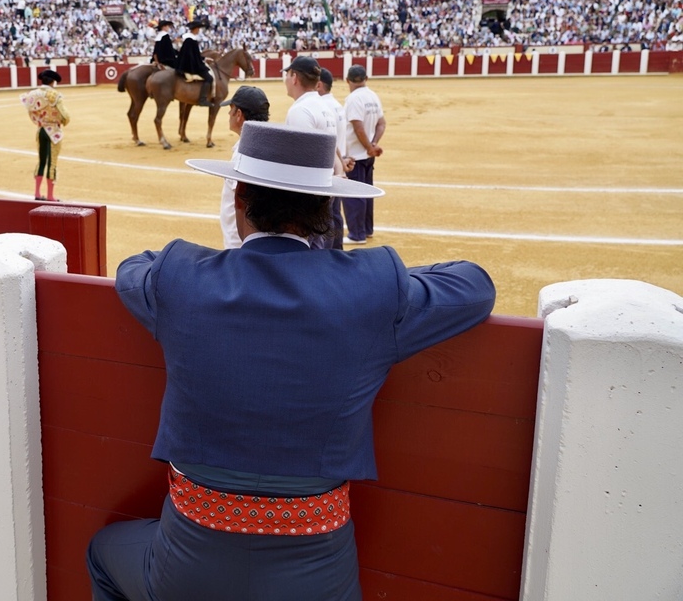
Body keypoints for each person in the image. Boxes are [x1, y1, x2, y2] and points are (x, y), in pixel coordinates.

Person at [88, 123, 496, 601]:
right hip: (318, 572)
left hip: (189, 564)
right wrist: (384, 286)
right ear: (325, 208)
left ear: (238, 197)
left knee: (103, 551)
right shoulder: (373, 289)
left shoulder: (180, 277)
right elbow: (474, 284)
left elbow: (134, 267)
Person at [283, 57, 340, 250]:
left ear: (294, 77)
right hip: (325, 188)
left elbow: (301, 159)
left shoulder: (300, 110)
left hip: (309, 195)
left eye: (287, 74)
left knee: (310, 248)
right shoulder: (325, 106)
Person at [216, 85, 270, 248]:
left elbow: (242, 204)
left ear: (239, 114)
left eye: (231, 109)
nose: (228, 114)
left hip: (241, 243)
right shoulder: (269, 144)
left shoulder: (244, 151)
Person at [343, 65, 386, 244]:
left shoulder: (353, 99)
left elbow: (357, 127)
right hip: (368, 154)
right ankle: (367, 229)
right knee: (367, 193)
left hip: (356, 154)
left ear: (348, 81)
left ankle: (357, 234)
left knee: (355, 194)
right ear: (366, 78)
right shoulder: (373, 96)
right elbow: (381, 123)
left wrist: (368, 147)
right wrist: (374, 143)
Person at [20, 69, 71, 201]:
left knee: (41, 161)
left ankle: (37, 193)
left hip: (41, 130)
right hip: (53, 132)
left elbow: (30, 111)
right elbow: (65, 116)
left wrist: (39, 120)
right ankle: (50, 196)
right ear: (53, 82)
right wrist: (63, 121)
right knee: (52, 163)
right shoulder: (54, 95)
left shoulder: (33, 94)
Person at [317, 68, 353, 250]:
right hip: (338, 164)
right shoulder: (337, 105)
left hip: (330, 167)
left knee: (327, 215)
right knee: (335, 213)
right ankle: (337, 248)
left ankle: (331, 249)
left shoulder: (322, 106)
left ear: (320, 85)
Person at [176, 17, 213, 107]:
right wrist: (202, 61)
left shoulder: (187, 38)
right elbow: (194, 56)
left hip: (185, 64)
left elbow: (193, 55)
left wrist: (204, 59)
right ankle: (202, 99)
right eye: (198, 29)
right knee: (209, 78)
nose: (199, 30)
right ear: (196, 29)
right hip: (191, 65)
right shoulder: (191, 40)